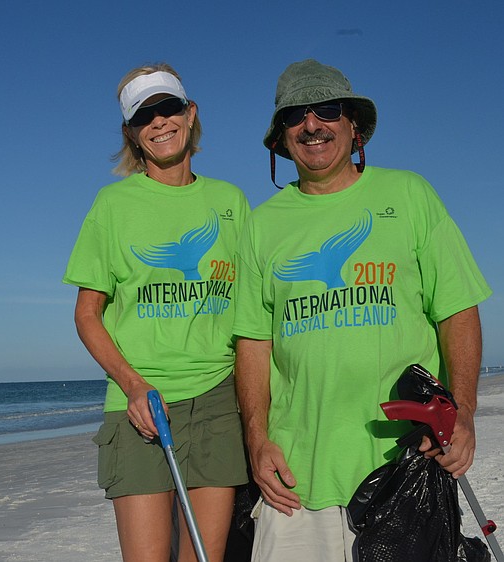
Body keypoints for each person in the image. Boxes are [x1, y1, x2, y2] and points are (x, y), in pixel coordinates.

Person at [233, 58, 492, 561]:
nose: (312, 125)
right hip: (295, 479)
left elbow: (457, 310)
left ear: (354, 126)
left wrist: (463, 412)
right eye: (295, 115)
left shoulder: (410, 195)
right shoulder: (261, 225)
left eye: (327, 110)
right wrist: (257, 439)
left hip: (406, 466)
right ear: (281, 138)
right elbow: (253, 342)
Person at [63, 63, 250, 562]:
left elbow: (256, 311)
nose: (160, 122)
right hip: (140, 404)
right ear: (130, 133)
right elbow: (87, 314)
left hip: (218, 401)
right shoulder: (112, 205)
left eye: (169, 108)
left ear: (190, 114)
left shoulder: (230, 201)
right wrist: (133, 385)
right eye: (145, 116)